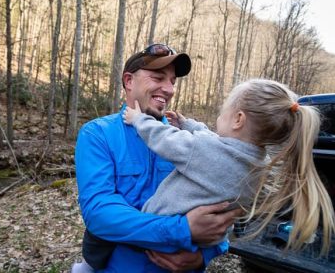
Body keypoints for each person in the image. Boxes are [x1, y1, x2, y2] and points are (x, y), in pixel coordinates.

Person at [73, 44, 242, 273]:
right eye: (158, 77)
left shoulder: (188, 141)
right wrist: (183, 230)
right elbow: (100, 213)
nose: (169, 89)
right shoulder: (98, 133)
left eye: (172, 81)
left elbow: (225, 200)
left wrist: (205, 254)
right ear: (129, 81)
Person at [123, 79, 335, 254]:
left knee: (104, 243)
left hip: (161, 230)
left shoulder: (204, 151)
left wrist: (139, 119)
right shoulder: (259, 165)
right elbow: (218, 144)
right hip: (197, 246)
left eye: (224, 109)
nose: (219, 115)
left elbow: (166, 138)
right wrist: (190, 125)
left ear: (238, 119)